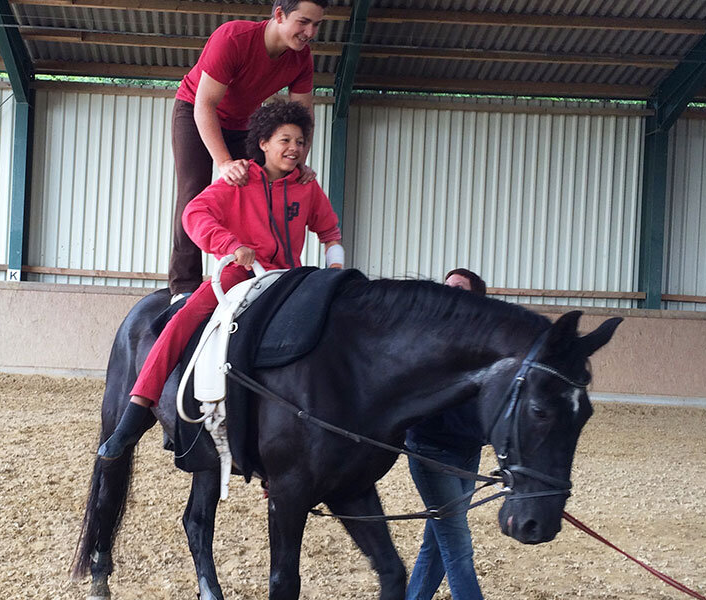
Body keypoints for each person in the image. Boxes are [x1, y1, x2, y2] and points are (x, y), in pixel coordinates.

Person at [99, 101, 344, 460]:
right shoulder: (238, 180)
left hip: (289, 279)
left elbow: (330, 232)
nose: (295, 148)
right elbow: (194, 213)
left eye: (301, 141)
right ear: (263, 143)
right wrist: (231, 245)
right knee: (184, 318)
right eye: (285, 140)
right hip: (239, 273)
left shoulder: (307, 187)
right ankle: (136, 412)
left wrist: (335, 268)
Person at [169, 0, 328, 304]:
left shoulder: (301, 58)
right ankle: (183, 286)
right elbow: (205, 104)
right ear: (279, 14)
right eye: (304, 22)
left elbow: (303, 119)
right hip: (195, 111)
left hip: (243, 122)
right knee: (193, 191)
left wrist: (296, 165)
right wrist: (224, 163)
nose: (310, 32)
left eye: (317, 25)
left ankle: (254, 274)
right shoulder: (234, 38)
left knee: (259, 187)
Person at [404, 268, 488, 600]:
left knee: (437, 544)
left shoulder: (483, 343)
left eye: (459, 288)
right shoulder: (429, 338)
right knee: (458, 545)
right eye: (447, 286)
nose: (449, 291)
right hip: (432, 453)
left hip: (468, 452)